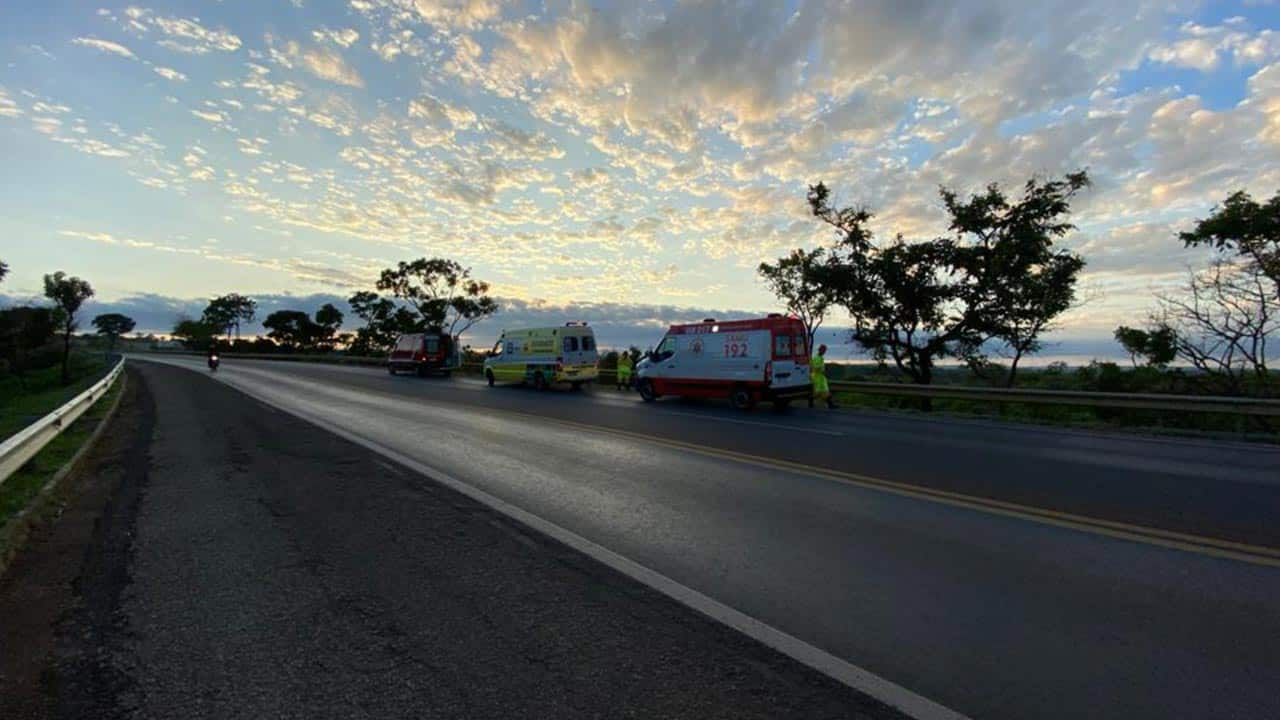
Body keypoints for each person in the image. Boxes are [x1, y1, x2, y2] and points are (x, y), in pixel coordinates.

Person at [810, 343, 836, 409]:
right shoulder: (816, 358)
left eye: (825, 350)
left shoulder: (820, 358)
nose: (824, 352)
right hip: (817, 377)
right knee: (818, 392)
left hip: (821, 377)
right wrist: (821, 370)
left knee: (824, 391)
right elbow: (815, 367)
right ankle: (811, 403)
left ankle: (830, 405)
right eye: (824, 350)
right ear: (820, 350)